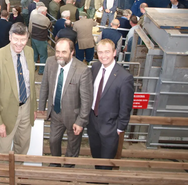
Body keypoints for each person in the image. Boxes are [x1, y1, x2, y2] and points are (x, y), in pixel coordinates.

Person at [39, 38, 92, 167]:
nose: (59, 55)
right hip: (55, 113)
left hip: (74, 116)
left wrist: (81, 121)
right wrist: (41, 107)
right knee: (53, 140)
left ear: (72, 52)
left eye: (64, 52)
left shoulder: (82, 70)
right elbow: (44, 85)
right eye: (57, 51)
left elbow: (86, 100)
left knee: (73, 145)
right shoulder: (50, 62)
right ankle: (55, 163)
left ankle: (69, 167)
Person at [0, 22, 37, 155]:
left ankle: (17, 173)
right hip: (6, 113)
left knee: (23, 145)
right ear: (10, 37)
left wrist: (33, 108)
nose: (19, 43)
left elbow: (31, 83)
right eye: (16, 39)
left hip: (26, 108)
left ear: (27, 38)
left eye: (23, 39)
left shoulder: (30, 52)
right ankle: (0, 176)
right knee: (3, 150)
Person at [87, 39, 134, 169]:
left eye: (107, 52)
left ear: (114, 52)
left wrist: (120, 127)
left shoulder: (125, 77)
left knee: (106, 162)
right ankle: (97, 181)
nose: (103, 55)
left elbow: (126, 105)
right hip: (93, 123)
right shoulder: (95, 67)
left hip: (110, 126)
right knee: (95, 156)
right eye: (100, 52)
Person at [29, 6, 51, 75]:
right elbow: (49, 26)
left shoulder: (33, 16)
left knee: (34, 54)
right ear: (42, 12)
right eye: (46, 11)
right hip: (41, 39)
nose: (46, 12)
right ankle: (42, 70)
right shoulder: (46, 19)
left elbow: (30, 26)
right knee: (43, 55)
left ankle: (33, 67)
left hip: (33, 37)